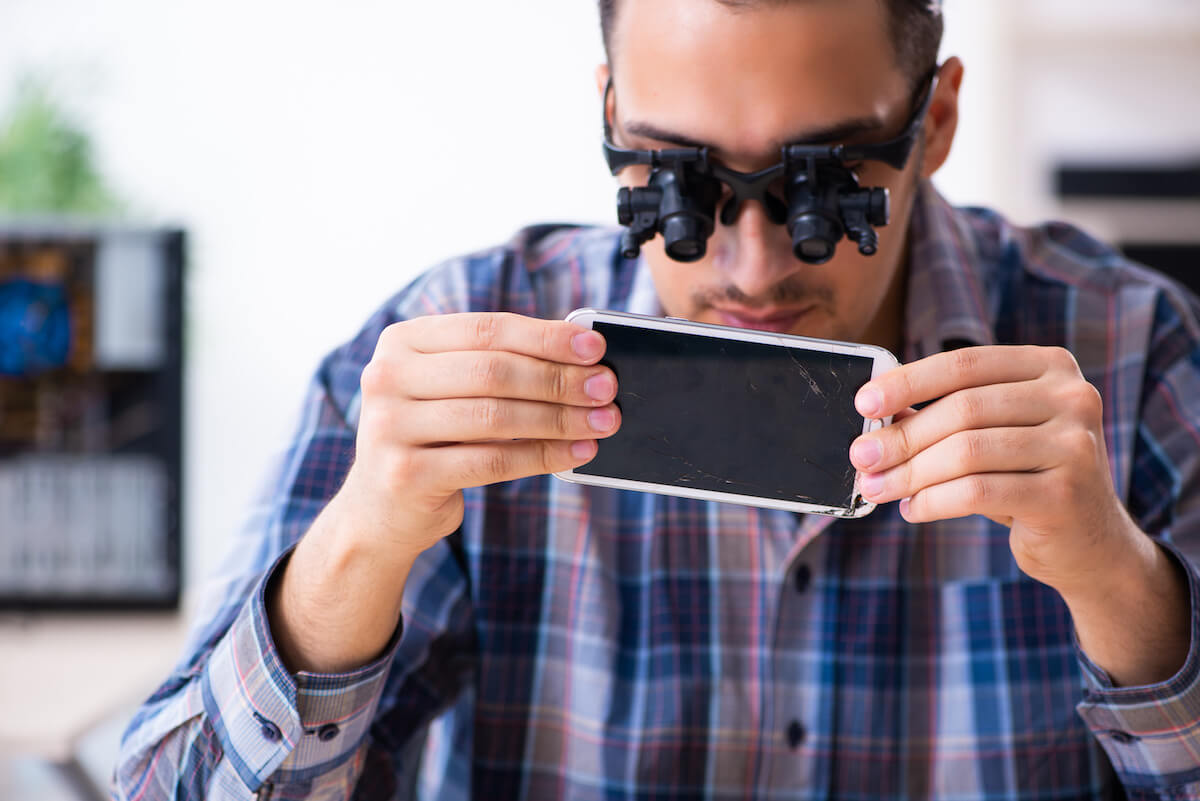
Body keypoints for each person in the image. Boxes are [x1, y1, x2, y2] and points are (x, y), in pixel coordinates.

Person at [113, 0, 1200, 798]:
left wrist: (1123, 586)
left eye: (830, 184)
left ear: (939, 120)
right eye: (676, 180)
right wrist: (357, 552)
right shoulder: (451, 347)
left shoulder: (1132, 351)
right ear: (610, 111)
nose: (753, 266)